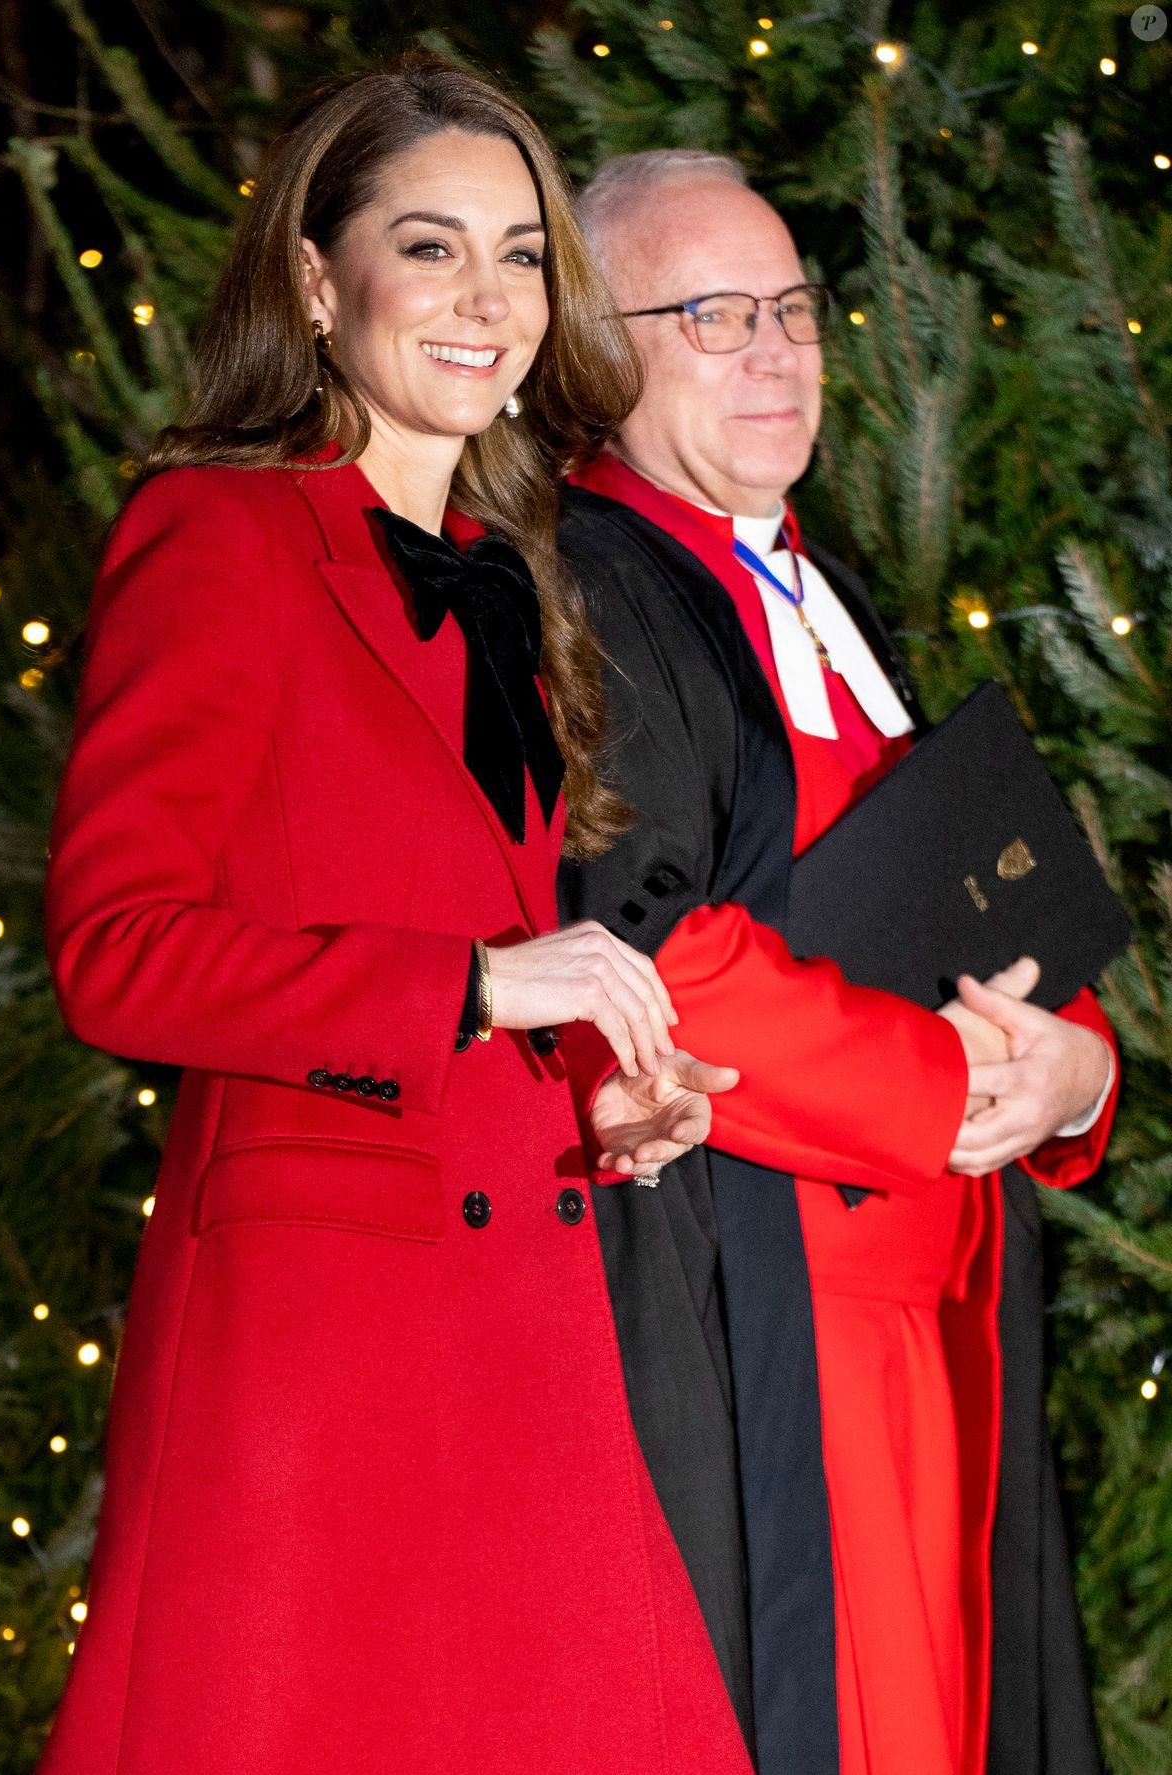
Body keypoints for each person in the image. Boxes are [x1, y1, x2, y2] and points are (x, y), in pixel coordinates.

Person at [39, 77, 754, 1775]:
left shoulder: (509, 571)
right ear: (310, 278)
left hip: (526, 1321)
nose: (487, 298)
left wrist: (599, 1097)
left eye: (519, 255)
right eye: (426, 248)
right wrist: (481, 986)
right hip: (321, 1352)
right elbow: (116, 948)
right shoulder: (214, 533)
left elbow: (451, 952)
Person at [557, 150, 1119, 1775]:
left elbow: (957, 899)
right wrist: (952, 1087)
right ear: (597, 348)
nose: (780, 352)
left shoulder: (824, 591)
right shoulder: (597, 587)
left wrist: (1078, 1072)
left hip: (933, 1314)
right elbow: (655, 951)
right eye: (716, 314)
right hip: (772, 1315)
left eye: (795, 309)